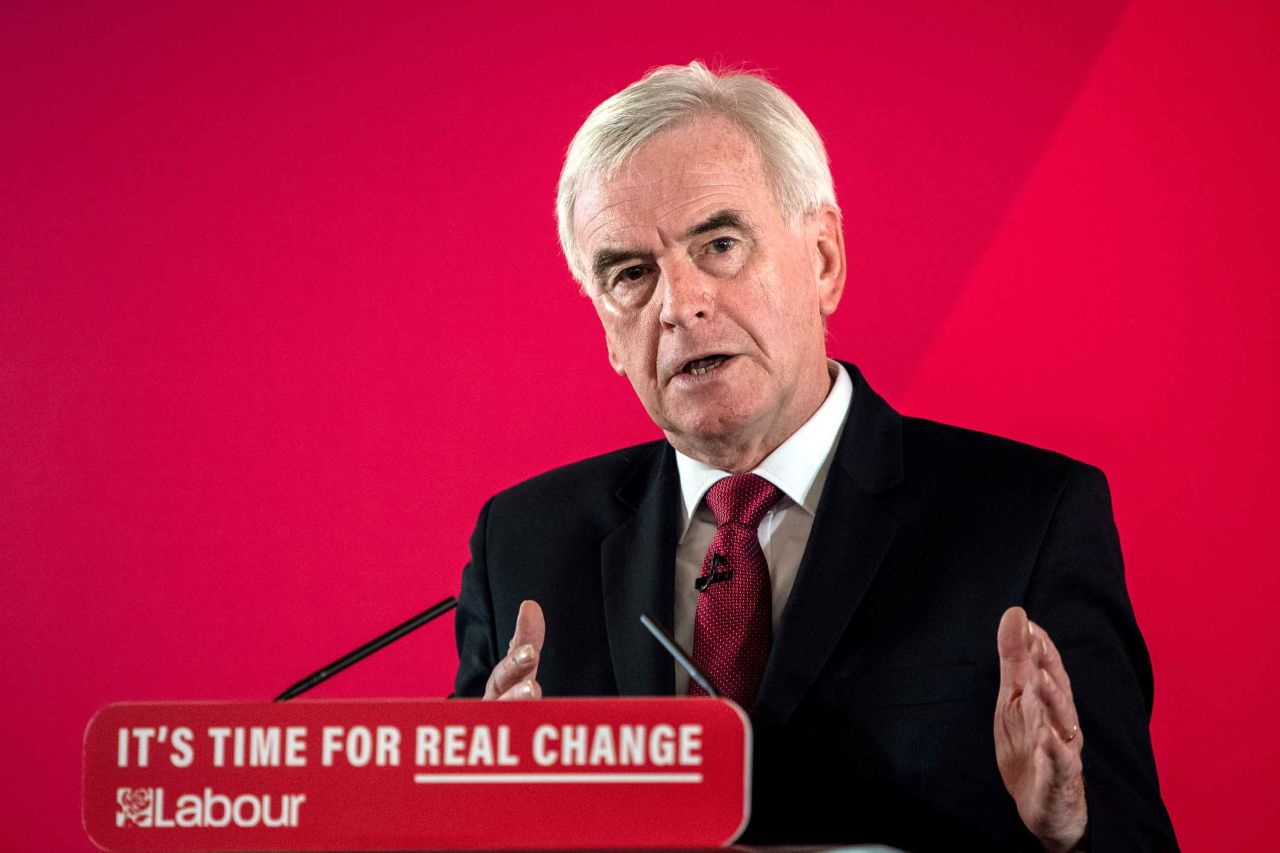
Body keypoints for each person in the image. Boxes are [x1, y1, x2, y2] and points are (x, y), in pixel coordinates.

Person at [453, 61, 1176, 850]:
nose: (680, 304)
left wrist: (1068, 829)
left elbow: (1128, 831)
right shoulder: (522, 546)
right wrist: (482, 824)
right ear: (607, 333)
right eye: (632, 274)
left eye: (719, 244)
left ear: (824, 259)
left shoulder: (1026, 520)